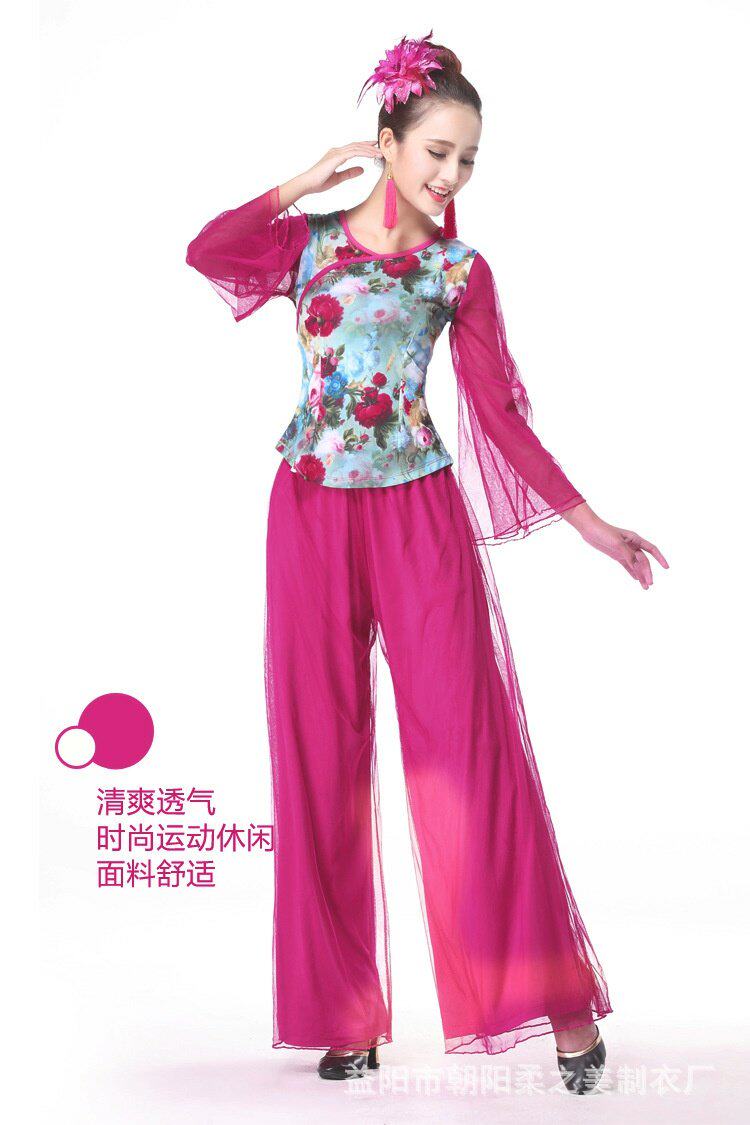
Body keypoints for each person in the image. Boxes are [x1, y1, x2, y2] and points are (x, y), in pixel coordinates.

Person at [186, 31, 668, 1095]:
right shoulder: (308, 246)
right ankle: (345, 1018)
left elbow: (499, 413)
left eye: (468, 160)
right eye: (437, 151)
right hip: (309, 511)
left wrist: (587, 520)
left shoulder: (459, 272)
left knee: (470, 755)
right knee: (319, 757)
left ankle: (561, 1008)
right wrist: (302, 180)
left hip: (419, 518)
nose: (451, 174)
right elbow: (208, 253)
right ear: (389, 140)